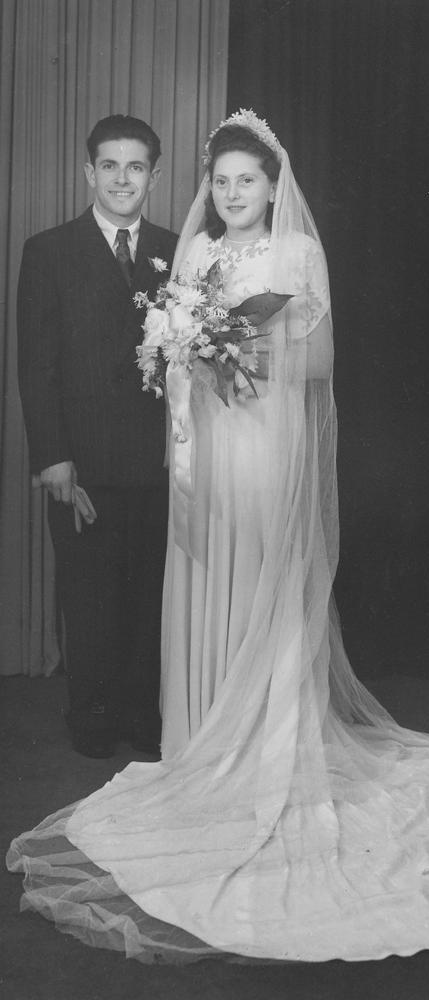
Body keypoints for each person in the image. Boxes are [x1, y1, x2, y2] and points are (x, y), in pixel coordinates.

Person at [7, 111, 429, 962]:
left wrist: (230, 347)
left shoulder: (294, 256)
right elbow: (139, 358)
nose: (233, 194)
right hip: (205, 453)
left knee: (259, 582)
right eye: (223, 181)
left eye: (247, 181)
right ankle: (197, 734)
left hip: (264, 446)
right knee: (195, 578)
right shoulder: (191, 253)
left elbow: (312, 366)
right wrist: (186, 352)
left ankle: (264, 746)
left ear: (274, 186)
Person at [16, 114, 178, 759]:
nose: (121, 178)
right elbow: (37, 364)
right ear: (89, 172)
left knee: (148, 594)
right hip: (80, 461)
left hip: (158, 461)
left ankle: (142, 717)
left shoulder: (178, 248)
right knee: (88, 596)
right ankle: (92, 718)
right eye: (108, 165)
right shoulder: (48, 249)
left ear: (154, 176)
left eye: (135, 166)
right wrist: (52, 456)